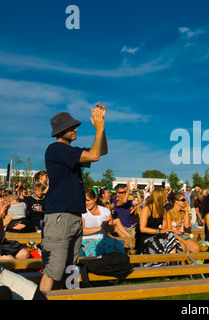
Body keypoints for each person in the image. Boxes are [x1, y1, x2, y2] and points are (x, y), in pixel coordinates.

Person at [40, 104, 108, 292]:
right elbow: (94, 155)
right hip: (59, 217)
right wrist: (99, 128)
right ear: (61, 130)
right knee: (53, 270)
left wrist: (103, 127)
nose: (75, 128)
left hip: (73, 217)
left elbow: (101, 152)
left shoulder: (70, 152)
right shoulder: (55, 149)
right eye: (71, 127)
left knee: (68, 268)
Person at [139, 189, 182, 266]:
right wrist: (158, 231)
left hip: (157, 236)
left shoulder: (163, 210)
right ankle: (167, 266)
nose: (166, 199)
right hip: (146, 237)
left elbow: (165, 228)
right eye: (164, 197)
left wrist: (164, 231)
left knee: (170, 235)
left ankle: (173, 262)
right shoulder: (147, 209)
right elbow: (142, 229)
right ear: (159, 198)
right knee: (162, 242)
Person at [81, 189, 125, 257]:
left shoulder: (105, 210)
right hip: (87, 241)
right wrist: (99, 228)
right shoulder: (83, 212)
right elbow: (82, 230)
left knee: (118, 249)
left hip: (105, 239)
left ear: (95, 199)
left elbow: (112, 229)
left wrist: (108, 226)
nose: (86, 203)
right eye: (84, 201)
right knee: (95, 252)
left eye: (88, 200)